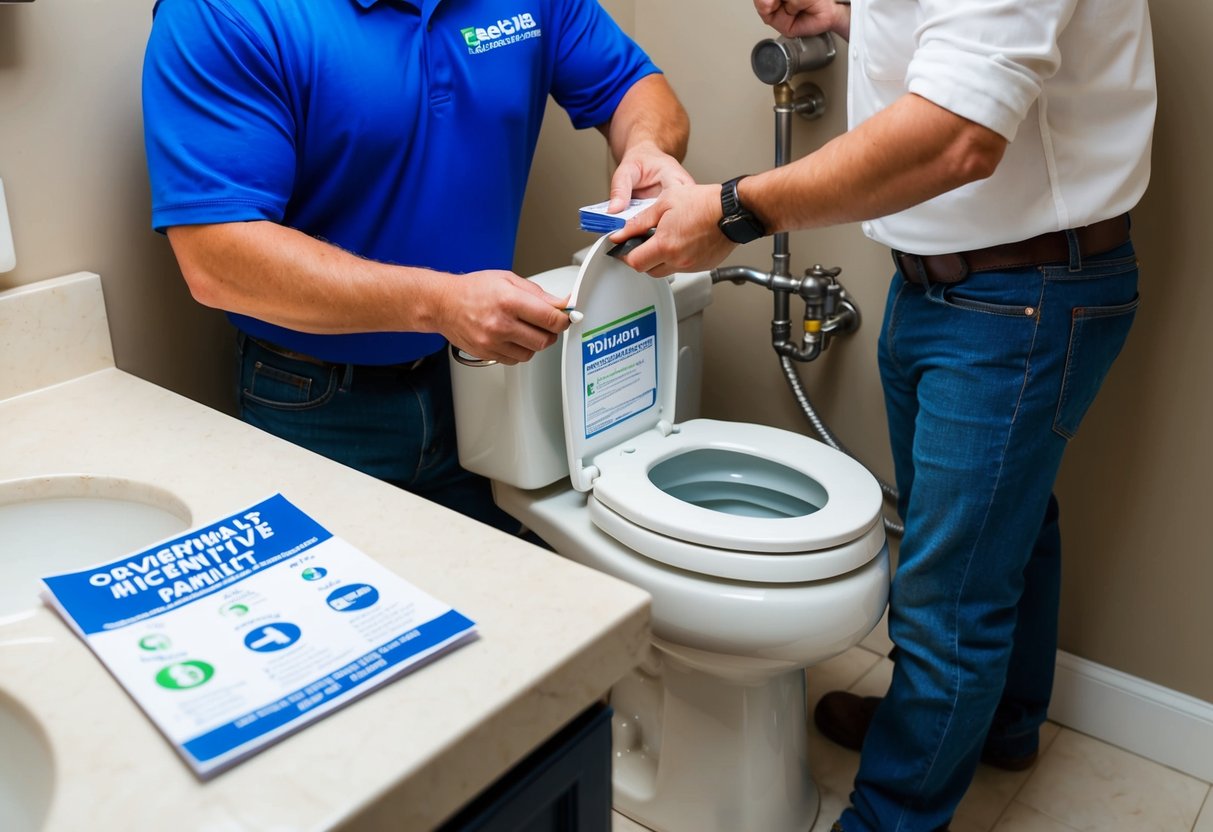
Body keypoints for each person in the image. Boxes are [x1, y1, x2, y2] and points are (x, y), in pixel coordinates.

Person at [610, 0, 1155, 829]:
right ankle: (992, 725)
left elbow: (955, 134)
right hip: (950, 285)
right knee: (1001, 530)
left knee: (949, 593)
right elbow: (966, 36)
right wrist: (848, 12)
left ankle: (891, 812)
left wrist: (734, 210)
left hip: (1019, 294)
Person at [141, 0, 691, 534]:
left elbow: (635, 87)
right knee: (345, 612)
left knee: (514, 601)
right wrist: (440, 304)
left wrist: (647, 147)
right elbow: (216, 259)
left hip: (490, 376)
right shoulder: (220, 12)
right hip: (320, 400)